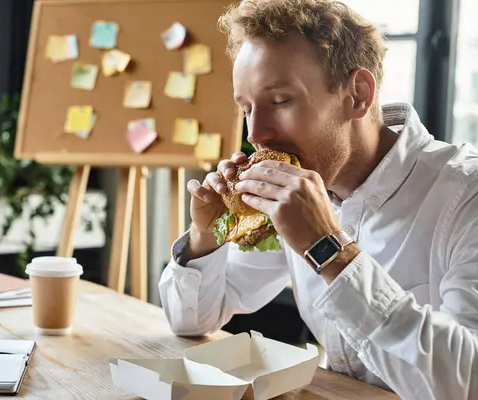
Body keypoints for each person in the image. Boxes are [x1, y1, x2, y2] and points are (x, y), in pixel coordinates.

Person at [158, 0, 478, 399]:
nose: (256, 134)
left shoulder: (467, 195)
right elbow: (190, 321)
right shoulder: (294, 197)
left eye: (280, 101)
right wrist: (207, 233)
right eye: (246, 108)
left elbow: (467, 382)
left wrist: (330, 249)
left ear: (358, 95)